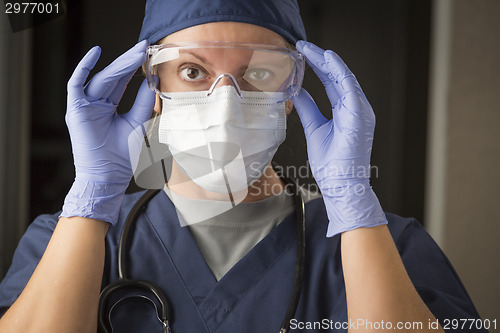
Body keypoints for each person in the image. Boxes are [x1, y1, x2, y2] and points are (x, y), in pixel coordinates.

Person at [0, 0, 487, 332]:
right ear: (154, 87)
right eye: (193, 72)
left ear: (291, 93)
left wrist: (353, 203)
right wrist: (93, 195)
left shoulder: (390, 248)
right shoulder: (63, 242)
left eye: (258, 72)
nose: (226, 105)